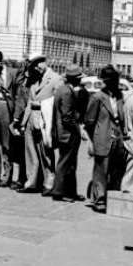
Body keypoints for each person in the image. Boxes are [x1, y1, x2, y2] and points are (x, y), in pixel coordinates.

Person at [84, 65, 126, 213]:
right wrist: (93, 138)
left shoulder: (120, 96)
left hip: (118, 139)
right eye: (111, 81)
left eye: (115, 80)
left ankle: (112, 198)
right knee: (101, 171)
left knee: (116, 171)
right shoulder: (97, 97)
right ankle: (99, 200)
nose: (114, 83)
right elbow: (89, 121)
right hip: (102, 138)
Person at [18, 56, 61, 195]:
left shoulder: (55, 78)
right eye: (34, 65)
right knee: (30, 152)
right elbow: (29, 102)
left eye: (38, 64)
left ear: (45, 62)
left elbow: (57, 101)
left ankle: (49, 183)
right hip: (31, 118)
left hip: (45, 119)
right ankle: (31, 182)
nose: (37, 68)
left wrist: (44, 107)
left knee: (46, 152)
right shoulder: (33, 79)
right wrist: (23, 123)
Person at [50, 64, 86, 202]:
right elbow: (67, 116)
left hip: (65, 132)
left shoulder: (62, 89)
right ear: (75, 79)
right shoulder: (66, 92)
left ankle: (71, 192)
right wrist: (78, 129)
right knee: (65, 163)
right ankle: (59, 192)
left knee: (70, 164)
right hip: (67, 133)